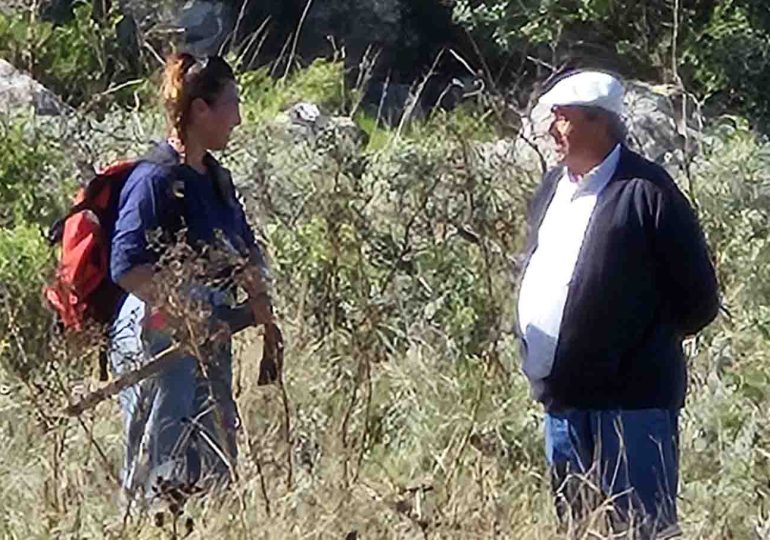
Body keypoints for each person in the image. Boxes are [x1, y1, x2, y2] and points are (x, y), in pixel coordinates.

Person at [517, 70, 719, 536]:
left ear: (600, 124)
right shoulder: (553, 187)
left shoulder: (649, 191)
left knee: (642, 529)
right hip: (563, 406)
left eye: (562, 119)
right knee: (579, 528)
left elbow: (698, 300)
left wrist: (631, 347)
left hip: (631, 408)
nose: (550, 130)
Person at [108, 53, 277, 512]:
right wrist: (186, 311)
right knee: (157, 475)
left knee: (215, 466)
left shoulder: (217, 179)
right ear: (201, 109)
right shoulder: (155, 179)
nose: (238, 118)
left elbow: (243, 249)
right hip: (158, 339)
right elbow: (126, 267)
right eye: (231, 103)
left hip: (208, 337)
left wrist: (259, 301)